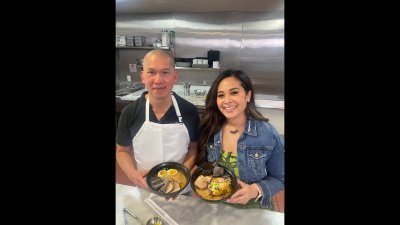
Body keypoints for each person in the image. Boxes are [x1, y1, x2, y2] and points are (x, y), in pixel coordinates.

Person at [196, 69, 284, 209]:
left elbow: (280, 178)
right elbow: (203, 166)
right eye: (221, 95)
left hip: (254, 207)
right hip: (217, 204)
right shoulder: (210, 129)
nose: (227, 100)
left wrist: (254, 190)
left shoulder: (267, 134)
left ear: (248, 95)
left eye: (234, 92)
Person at [116, 49, 199, 191]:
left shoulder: (189, 111)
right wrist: (132, 174)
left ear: (175, 76)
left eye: (165, 72)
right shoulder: (129, 113)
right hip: (145, 186)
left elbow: (193, 147)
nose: (158, 80)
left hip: (181, 189)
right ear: (142, 76)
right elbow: (122, 150)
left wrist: (183, 172)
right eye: (151, 72)